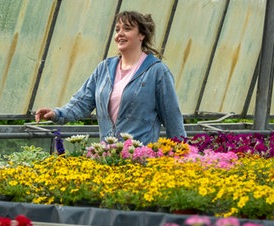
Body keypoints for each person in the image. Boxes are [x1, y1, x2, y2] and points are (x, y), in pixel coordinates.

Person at [35, 11, 186, 144]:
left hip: (141, 161)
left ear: (142, 35)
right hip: (108, 158)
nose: (120, 34)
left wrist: (183, 156)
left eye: (127, 29)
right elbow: (81, 103)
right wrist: (56, 114)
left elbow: (172, 118)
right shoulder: (104, 69)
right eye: (117, 30)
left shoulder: (157, 71)